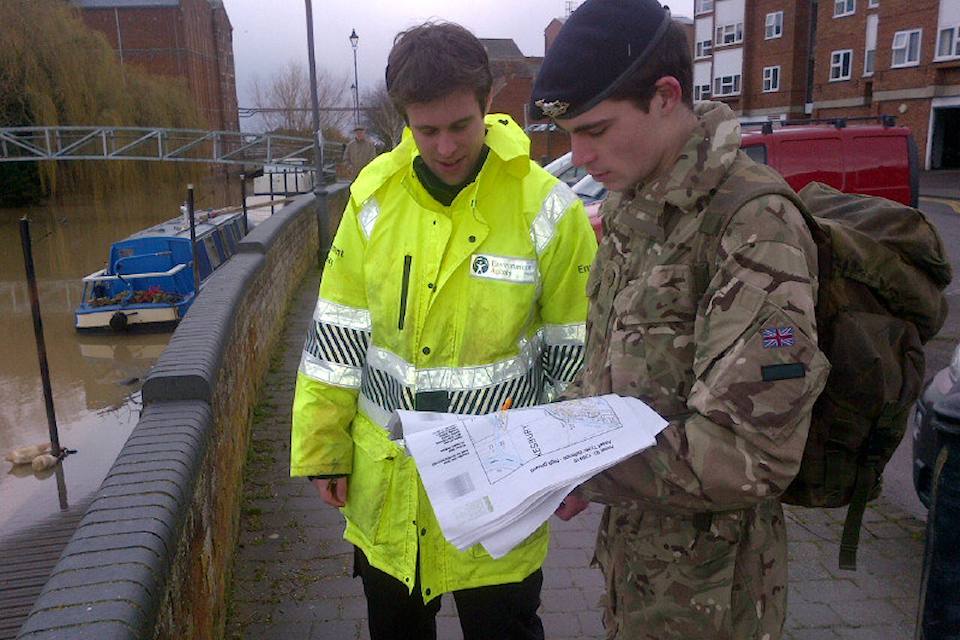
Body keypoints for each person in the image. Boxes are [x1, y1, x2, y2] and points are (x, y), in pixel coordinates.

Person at [529, 0, 831, 638]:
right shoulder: (636, 211)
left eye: (597, 130)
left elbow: (750, 453)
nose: (578, 156)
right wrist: (553, 445)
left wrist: (579, 460)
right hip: (635, 574)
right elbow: (609, 373)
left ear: (666, 96)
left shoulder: (752, 227)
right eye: (570, 135)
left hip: (715, 600)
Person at [290, 21, 598, 640]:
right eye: (425, 130)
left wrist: (573, 467)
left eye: (461, 125)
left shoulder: (547, 208)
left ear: (488, 102)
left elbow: (577, 351)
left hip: (502, 488)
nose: (446, 147)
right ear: (404, 118)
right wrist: (324, 449)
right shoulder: (372, 199)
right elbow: (336, 338)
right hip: (391, 485)